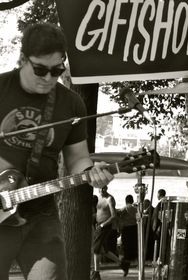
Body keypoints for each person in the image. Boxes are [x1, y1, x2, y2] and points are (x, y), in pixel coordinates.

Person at [0, 22, 114, 280]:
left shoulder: (70, 103)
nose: (49, 78)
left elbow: (77, 159)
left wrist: (92, 172)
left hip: (41, 215)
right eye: (40, 70)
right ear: (22, 59)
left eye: (57, 70)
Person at [91, 186, 119, 280]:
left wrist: (103, 225)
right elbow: (98, 212)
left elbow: (114, 216)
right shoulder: (98, 198)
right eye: (100, 188)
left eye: (103, 188)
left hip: (105, 226)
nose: (101, 190)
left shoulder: (110, 199)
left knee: (96, 249)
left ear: (106, 188)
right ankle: (122, 264)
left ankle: (96, 273)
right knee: (103, 250)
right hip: (98, 225)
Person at [116, 194, 138, 277]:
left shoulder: (125, 208)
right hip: (134, 228)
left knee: (125, 247)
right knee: (132, 247)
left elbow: (118, 213)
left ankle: (124, 264)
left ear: (126, 201)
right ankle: (128, 263)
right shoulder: (135, 209)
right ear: (132, 201)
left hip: (126, 229)